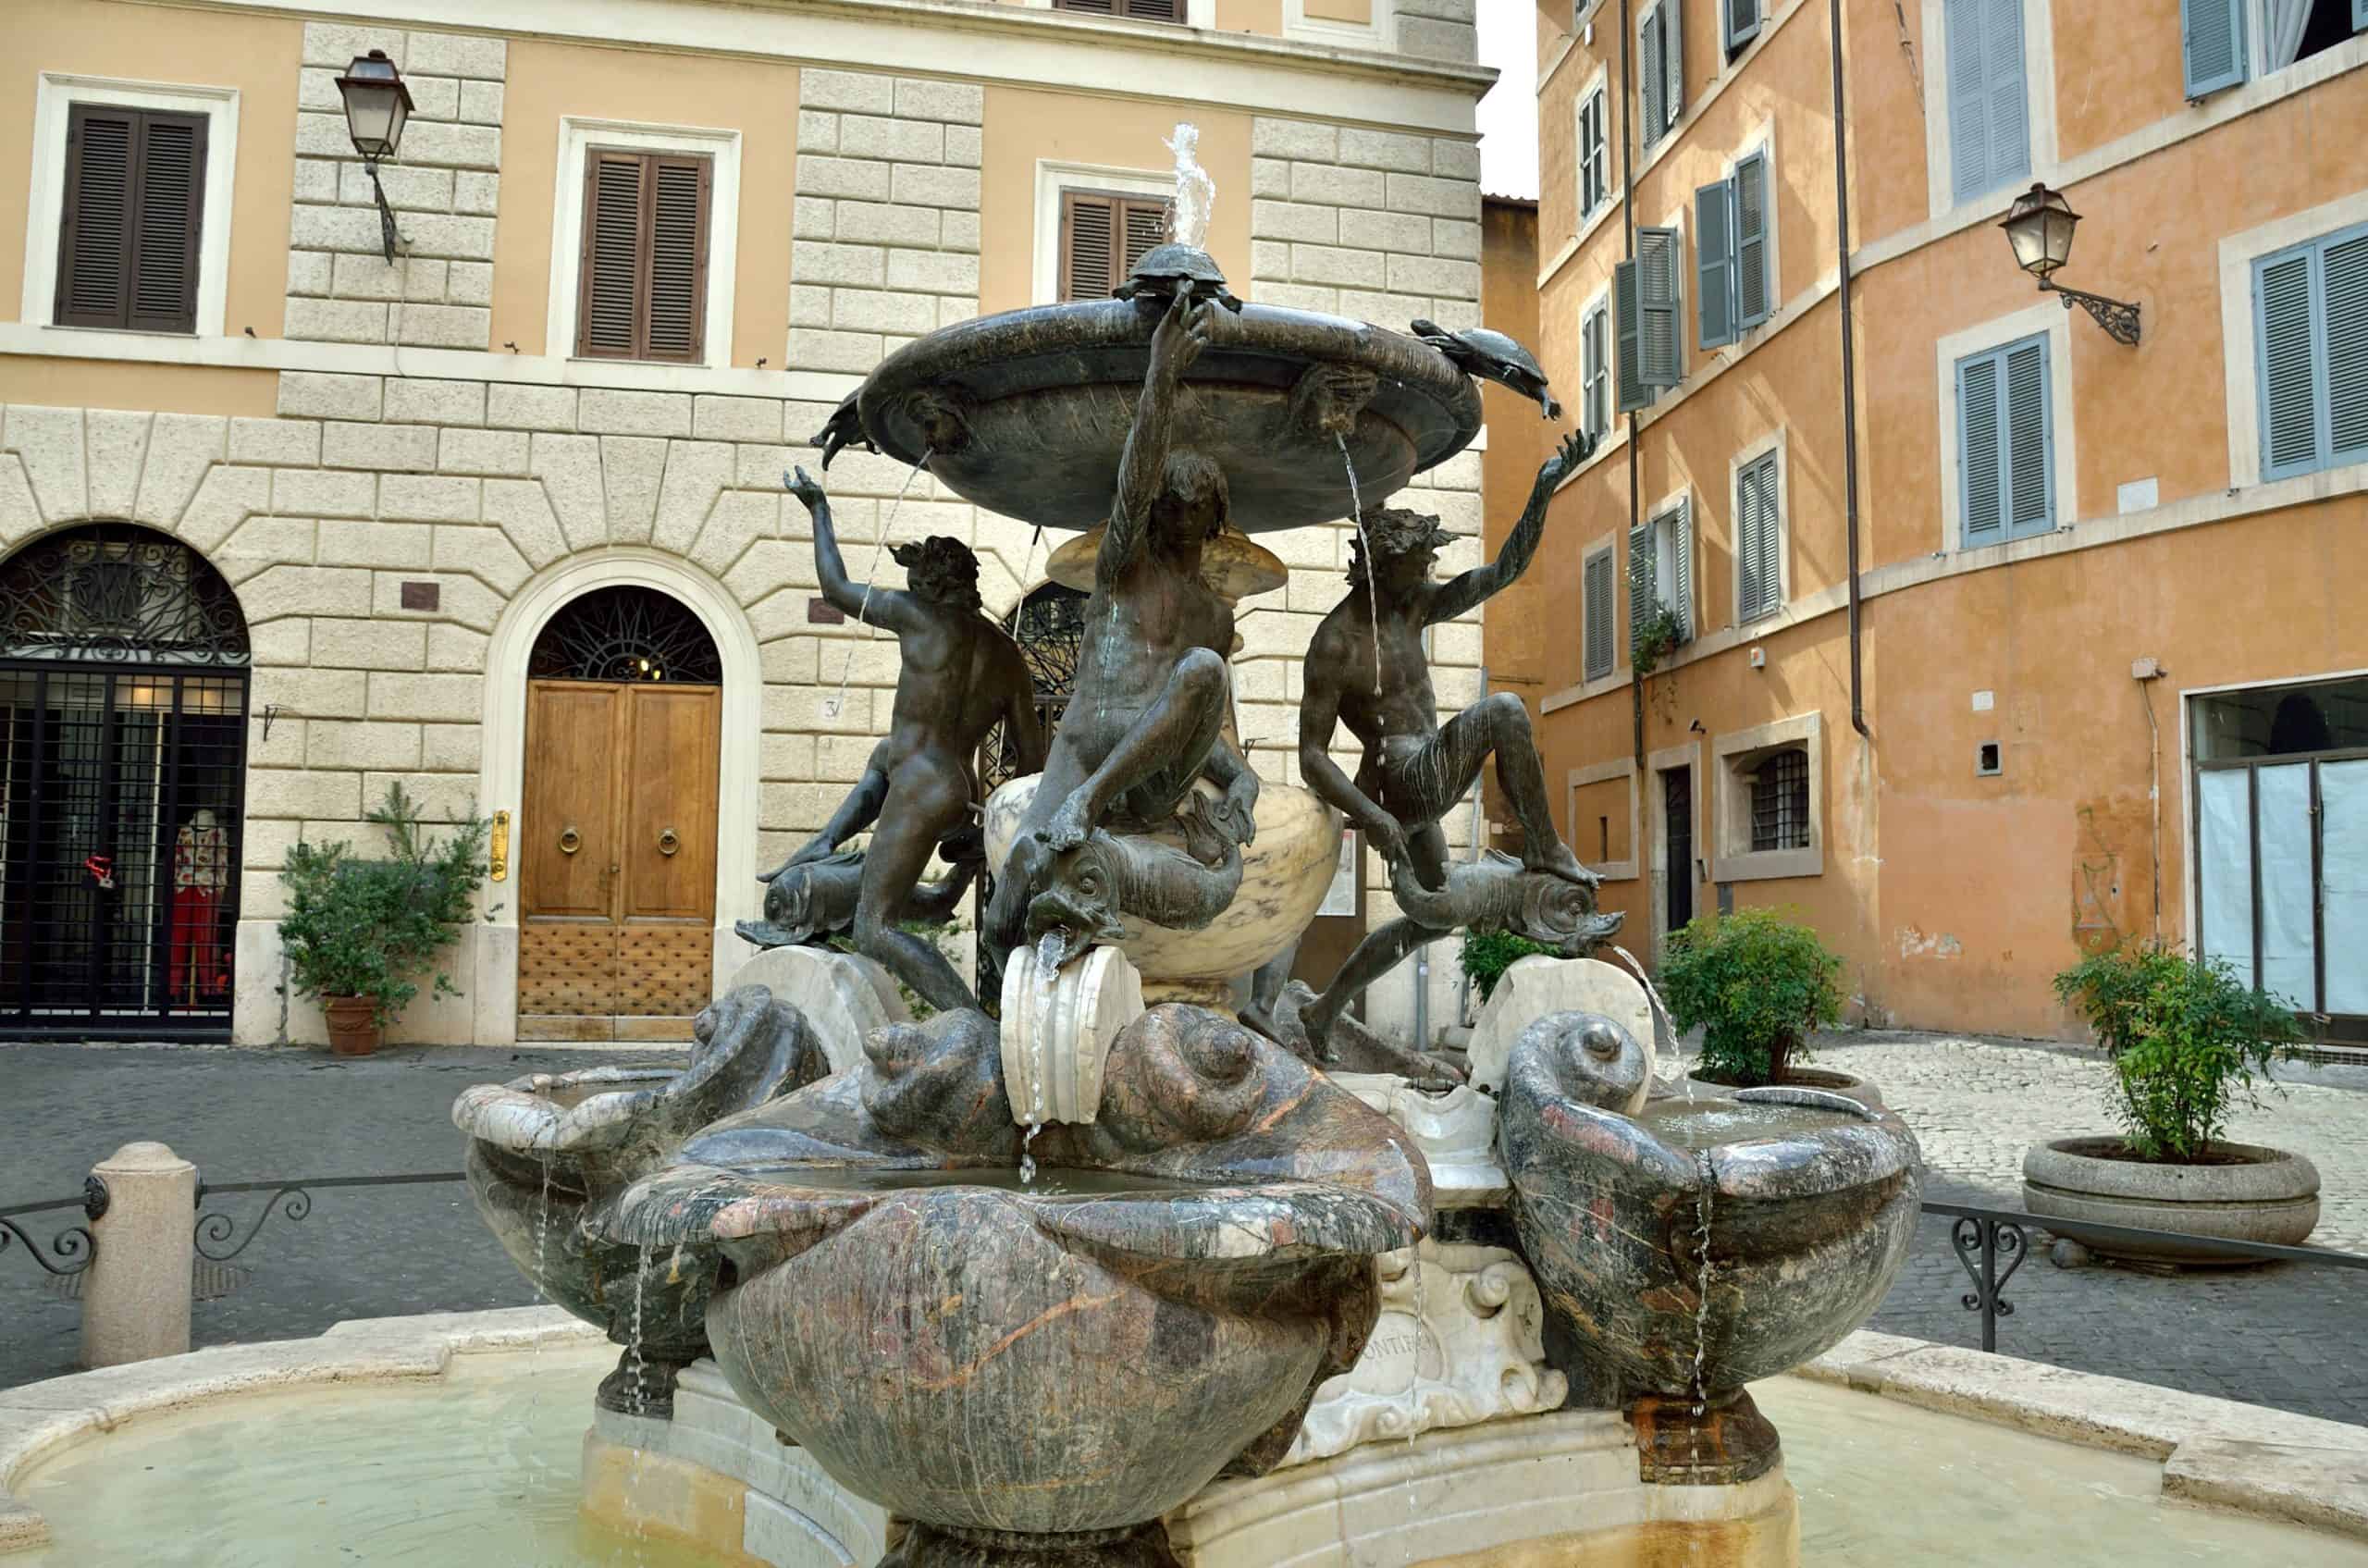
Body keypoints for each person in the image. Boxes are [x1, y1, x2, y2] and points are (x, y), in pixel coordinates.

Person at [1287, 429, 1596, 1054]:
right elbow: (1311, 756)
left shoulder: (1409, 608)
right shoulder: (1336, 643)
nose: (1430, 571)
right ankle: (1549, 850)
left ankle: (1323, 1009)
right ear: (1383, 563)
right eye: (1418, 563)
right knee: (1505, 710)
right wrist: (1371, 816)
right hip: (1403, 781)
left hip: (1422, 779)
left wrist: (1544, 490)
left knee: (1431, 918)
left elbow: (1502, 571)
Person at [982, 284, 1261, 969]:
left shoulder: (1216, 616)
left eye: (1190, 506)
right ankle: (996, 1006)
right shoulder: (1120, 568)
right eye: (1166, 503)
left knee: (1203, 669)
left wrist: (1245, 784)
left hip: (1145, 781)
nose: (1173, 515)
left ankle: (1088, 803)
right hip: (1080, 750)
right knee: (1017, 877)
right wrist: (1160, 374)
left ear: (1213, 516)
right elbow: (1132, 478)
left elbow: (1202, 725)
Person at [783, 466, 1044, 1014]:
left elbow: (835, 588)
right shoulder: (1007, 655)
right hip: (954, 785)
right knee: (882, 758)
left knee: (873, 928)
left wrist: (819, 509)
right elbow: (1032, 759)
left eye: (917, 575)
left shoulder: (918, 617)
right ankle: (833, 846)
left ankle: (969, 1025)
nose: (909, 585)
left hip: (921, 783)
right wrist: (993, 825)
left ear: (932, 583)